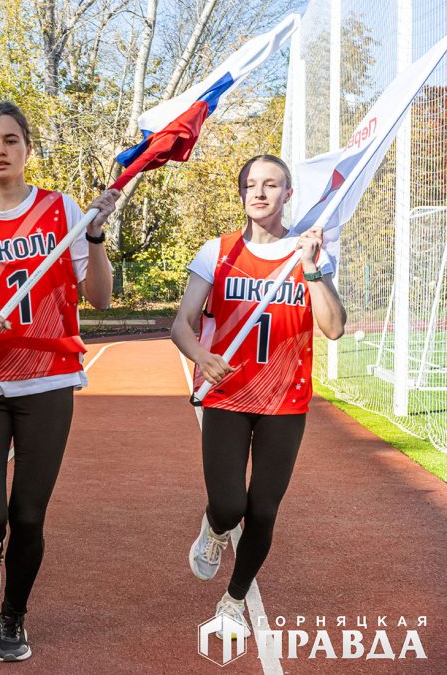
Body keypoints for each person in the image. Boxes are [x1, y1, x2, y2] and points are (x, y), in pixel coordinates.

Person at [0, 101, 118, 662]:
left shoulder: (61, 210)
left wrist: (98, 236)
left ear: (28, 148)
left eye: (11, 140)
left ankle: (13, 616)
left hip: (48, 379)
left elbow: (98, 298)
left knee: (29, 514)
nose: (0, 150)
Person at [171, 154, 346, 638]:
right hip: (227, 394)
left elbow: (333, 328)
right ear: (242, 193)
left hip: (284, 402)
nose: (261, 192)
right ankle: (214, 528)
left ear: (289, 194)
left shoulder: (310, 253)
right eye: (252, 184)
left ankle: (234, 598)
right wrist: (201, 358)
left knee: (264, 508)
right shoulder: (218, 252)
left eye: (272, 185)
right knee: (229, 505)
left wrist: (310, 269)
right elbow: (181, 323)